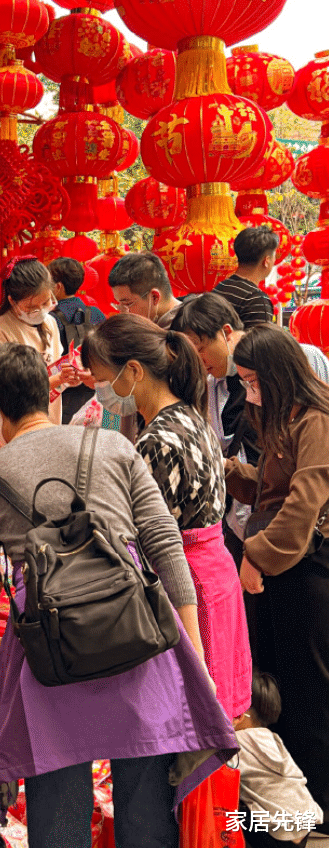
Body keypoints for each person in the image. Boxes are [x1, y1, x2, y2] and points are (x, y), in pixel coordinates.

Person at [0, 343, 238, 848]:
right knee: (146, 808)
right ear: (48, 397)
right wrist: (191, 648)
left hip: (50, 655)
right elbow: (165, 546)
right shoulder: (113, 446)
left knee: (59, 812)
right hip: (138, 636)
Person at [82, 315, 252, 720]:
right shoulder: (190, 417)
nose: (98, 389)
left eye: (100, 379)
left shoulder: (158, 441)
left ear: (134, 371)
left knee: (184, 729)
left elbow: (146, 540)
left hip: (184, 588)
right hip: (214, 577)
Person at [225, 324, 329, 831]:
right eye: (243, 382)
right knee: (278, 686)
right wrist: (226, 470)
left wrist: (255, 556)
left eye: (253, 380)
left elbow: (303, 502)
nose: (249, 391)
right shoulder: (282, 416)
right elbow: (269, 489)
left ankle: (317, 810)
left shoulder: (316, 418)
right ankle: (284, 813)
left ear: (278, 373)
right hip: (280, 571)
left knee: (308, 691)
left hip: (307, 572)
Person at [171, 294, 329, 564]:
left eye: (200, 348)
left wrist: (260, 555)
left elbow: (306, 496)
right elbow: (270, 473)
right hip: (249, 518)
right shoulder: (211, 386)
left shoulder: (311, 403)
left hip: (301, 538)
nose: (197, 360)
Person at [0, 257, 74, 443]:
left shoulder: (50, 323)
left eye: (46, 302)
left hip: (48, 428)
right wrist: (56, 381)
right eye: (31, 307)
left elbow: (56, 363)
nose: (40, 310)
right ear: (12, 301)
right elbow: (7, 393)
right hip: (10, 439)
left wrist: (71, 375)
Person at [235, 671, 323, 848]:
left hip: (277, 832)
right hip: (305, 822)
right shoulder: (272, 738)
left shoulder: (237, 742)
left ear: (241, 712)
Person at [47, 256, 105, 424]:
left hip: (62, 397)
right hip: (95, 394)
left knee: (64, 445)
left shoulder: (49, 320)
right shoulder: (97, 314)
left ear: (57, 287)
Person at [212, 226, 278, 328]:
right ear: (267, 261)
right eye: (274, 257)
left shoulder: (221, 287)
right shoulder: (256, 299)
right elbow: (258, 342)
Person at [108, 251, 181, 328]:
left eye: (128, 304)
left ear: (154, 297)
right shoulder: (153, 325)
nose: (122, 313)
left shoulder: (186, 328)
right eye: (118, 305)